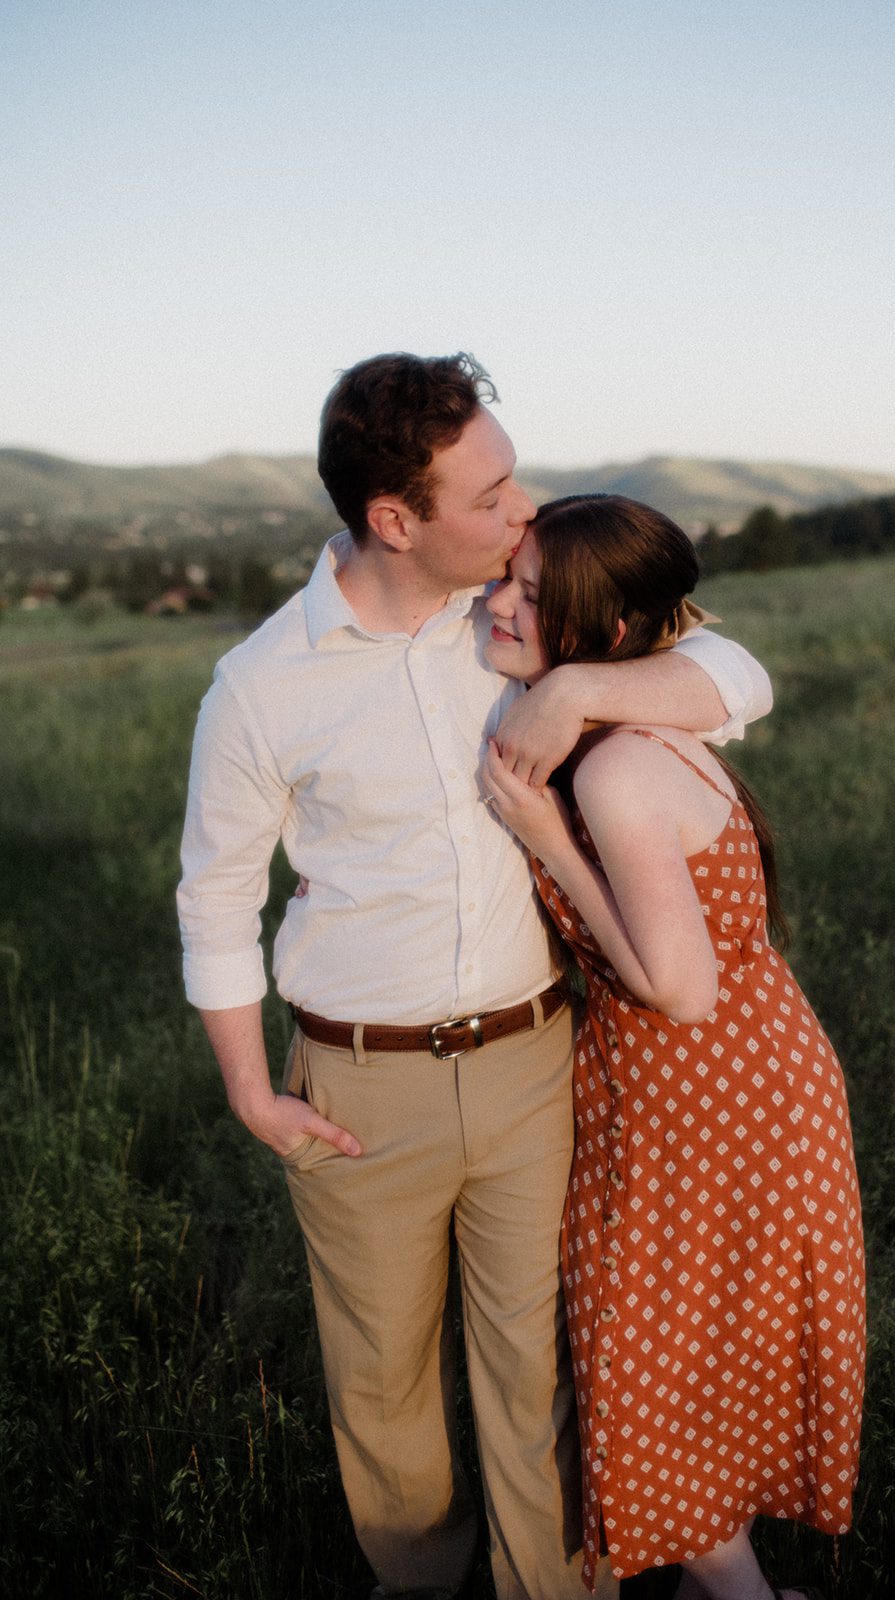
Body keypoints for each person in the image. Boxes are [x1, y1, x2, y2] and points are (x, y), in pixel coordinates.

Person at [177, 353, 773, 1600]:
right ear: (396, 521)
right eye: (492, 492)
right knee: (383, 1384)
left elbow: (735, 678)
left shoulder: (511, 624)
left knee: (537, 1370)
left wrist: (582, 694)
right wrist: (249, 1089)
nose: (524, 509)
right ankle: (417, 1583)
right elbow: (218, 899)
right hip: (357, 1086)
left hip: (529, 1059)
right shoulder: (258, 687)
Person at [481, 495, 865, 1600]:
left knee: (653, 1367)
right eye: (504, 580)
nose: (500, 606)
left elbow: (680, 990)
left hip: (702, 1092)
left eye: (531, 598)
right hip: (739, 1082)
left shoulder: (613, 771)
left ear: (605, 636)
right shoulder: (647, 720)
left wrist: (546, 838)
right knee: (696, 1355)